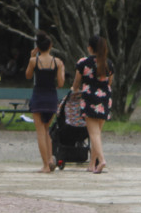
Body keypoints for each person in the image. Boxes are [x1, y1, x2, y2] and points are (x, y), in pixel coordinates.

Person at [71, 34, 114, 173]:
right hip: (104, 99)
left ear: (90, 48)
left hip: (89, 98)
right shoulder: (108, 63)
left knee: (93, 134)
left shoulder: (83, 62)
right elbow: (109, 82)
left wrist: (75, 91)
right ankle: (91, 165)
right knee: (97, 134)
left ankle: (101, 160)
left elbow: (76, 84)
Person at [25, 31, 65, 173]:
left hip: (38, 97)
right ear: (51, 46)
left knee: (40, 132)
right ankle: (49, 159)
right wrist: (61, 70)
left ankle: (45, 165)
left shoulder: (33, 61)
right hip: (51, 97)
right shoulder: (58, 62)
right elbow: (60, 83)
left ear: (37, 47)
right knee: (47, 130)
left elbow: (28, 76)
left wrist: (31, 57)